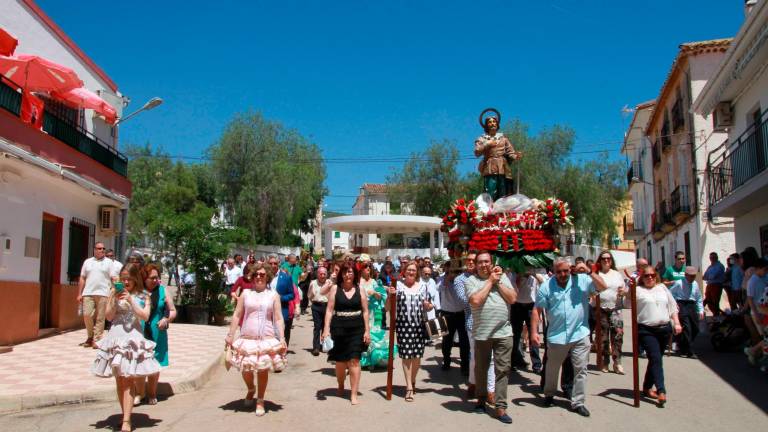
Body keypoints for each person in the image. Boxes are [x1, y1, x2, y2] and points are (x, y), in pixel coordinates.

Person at [531, 258, 608, 417]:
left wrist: (589, 271)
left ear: (571, 269)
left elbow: (603, 286)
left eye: (565, 270)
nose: (562, 274)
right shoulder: (546, 286)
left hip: (580, 334)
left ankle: (578, 402)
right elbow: (537, 310)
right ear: (554, 271)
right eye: (559, 271)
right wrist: (533, 333)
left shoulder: (582, 280)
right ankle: (549, 394)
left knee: (581, 370)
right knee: (552, 368)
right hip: (556, 336)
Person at [91, 263, 161, 432]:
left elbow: (144, 316)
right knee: (119, 380)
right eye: (123, 279)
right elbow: (108, 316)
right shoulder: (113, 293)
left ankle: (127, 421)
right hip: (115, 337)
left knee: (128, 378)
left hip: (132, 339)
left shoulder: (143, 295)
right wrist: (114, 299)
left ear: (136, 278)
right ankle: (124, 415)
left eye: (129, 278)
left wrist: (131, 300)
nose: (126, 281)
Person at [225, 263, 287, 416]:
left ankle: (260, 399)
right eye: (256, 274)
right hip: (247, 337)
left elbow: (278, 318)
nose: (259, 277)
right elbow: (237, 315)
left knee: (262, 369)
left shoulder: (273, 295)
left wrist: (282, 337)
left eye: (262, 274)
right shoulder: (246, 294)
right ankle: (251, 388)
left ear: (267, 277)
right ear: (252, 277)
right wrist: (230, 335)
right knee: (246, 368)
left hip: (266, 337)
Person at [466, 251, 518, 424]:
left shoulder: (502, 277)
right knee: (481, 369)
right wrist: (490, 282)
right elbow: (475, 300)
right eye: (480, 262)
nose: (483, 265)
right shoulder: (471, 281)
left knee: (502, 370)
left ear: (491, 262)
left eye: (486, 261)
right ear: (476, 264)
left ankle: (501, 407)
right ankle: (481, 400)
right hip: (482, 333)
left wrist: (498, 281)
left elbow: (512, 299)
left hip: (504, 333)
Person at [631, 264, 682, 406]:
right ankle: (661, 390)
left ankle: (647, 387)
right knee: (656, 358)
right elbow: (627, 301)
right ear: (642, 277)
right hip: (646, 330)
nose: (650, 278)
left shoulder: (662, 288)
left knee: (655, 359)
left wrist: (676, 323)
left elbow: (672, 306)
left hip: (664, 329)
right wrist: (628, 289)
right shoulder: (638, 290)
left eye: (652, 275)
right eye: (646, 275)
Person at [322, 262, 370, 405]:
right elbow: (329, 310)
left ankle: (354, 393)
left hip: (356, 328)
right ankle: (341, 383)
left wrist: (367, 330)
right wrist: (326, 329)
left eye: (350, 272)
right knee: (340, 363)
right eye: (344, 272)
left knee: (355, 360)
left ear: (354, 274)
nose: (347, 275)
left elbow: (366, 311)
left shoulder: (360, 289)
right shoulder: (335, 289)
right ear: (340, 274)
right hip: (339, 328)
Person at [387, 261, 433, 402]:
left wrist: (428, 305)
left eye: (413, 270)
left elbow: (430, 306)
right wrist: (390, 295)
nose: (411, 272)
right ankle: (408, 387)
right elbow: (388, 308)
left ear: (416, 272)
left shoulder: (423, 287)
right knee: (406, 356)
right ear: (404, 272)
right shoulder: (398, 286)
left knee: (417, 357)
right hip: (403, 325)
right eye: (409, 270)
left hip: (419, 325)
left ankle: (412, 381)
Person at [135, 264, 177, 406]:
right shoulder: (137, 291)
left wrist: (166, 319)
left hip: (157, 333)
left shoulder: (163, 291)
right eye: (152, 278)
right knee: (139, 363)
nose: (156, 280)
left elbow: (172, 310)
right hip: (139, 333)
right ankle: (139, 393)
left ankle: (152, 393)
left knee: (155, 363)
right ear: (144, 278)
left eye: (157, 277)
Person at [78, 242, 118, 349]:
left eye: (103, 248)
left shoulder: (109, 262)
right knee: (87, 315)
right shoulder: (87, 262)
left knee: (101, 318)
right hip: (88, 292)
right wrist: (79, 293)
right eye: (99, 248)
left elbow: (114, 277)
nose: (102, 250)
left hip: (103, 293)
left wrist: (118, 289)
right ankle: (90, 336)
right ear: (94, 249)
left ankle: (97, 339)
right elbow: (82, 277)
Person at [474, 111, 521, 201]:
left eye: (494, 122)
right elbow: (477, 152)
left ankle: (502, 211)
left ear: (497, 124)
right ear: (486, 125)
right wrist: (487, 144)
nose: (492, 124)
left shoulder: (503, 138)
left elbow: (510, 152)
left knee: (503, 191)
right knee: (490, 190)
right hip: (490, 166)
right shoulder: (482, 139)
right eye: (490, 122)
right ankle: (490, 210)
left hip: (503, 167)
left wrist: (516, 156)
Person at [595, 251, 627, 374]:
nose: (606, 260)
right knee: (603, 336)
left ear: (611, 260)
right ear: (600, 261)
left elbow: (623, 289)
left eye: (608, 258)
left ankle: (617, 362)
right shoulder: (597, 274)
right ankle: (605, 361)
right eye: (603, 259)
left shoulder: (617, 274)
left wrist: (622, 292)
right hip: (601, 308)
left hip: (616, 308)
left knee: (617, 336)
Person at [438, 261, 470, 375]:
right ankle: (446, 361)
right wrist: (448, 278)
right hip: (447, 313)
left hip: (461, 313)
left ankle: (465, 365)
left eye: (455, 271)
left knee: (464, 340)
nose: (453, 273)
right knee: (447, 340)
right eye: (451, 270)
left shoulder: (462, 280)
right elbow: (440, 289)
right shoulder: (441, 279)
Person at [510, 268, 543, 373]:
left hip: (531, 306)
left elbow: (544, 284)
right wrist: (520, 277)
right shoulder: (514, 274)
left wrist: (533, 274)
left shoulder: (535, 275)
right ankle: (513, 362)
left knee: (534, 335)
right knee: (515, 335)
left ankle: (536, 365)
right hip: (517, 305)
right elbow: (513, 290)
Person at [669, 267, 704, 358]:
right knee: (687, 328)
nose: (692, 278)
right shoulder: (679, 283)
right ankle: (690, 351)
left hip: (691, 306)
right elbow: (670, 294)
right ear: (685, 275)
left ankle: (682, 345)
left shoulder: (695, 284)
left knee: (695, 328)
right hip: (682, 304)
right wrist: (674, 303)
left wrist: (700, 310)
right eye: (691, 276)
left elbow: (699, 297)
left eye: (694, 276)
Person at [267, 255, 296, 346]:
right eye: (270, 263)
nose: (273, 265)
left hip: (281, 311)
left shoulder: (286, 277)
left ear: (279, 264)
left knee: (281, 336)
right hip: (266, 311)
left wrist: (280, 298)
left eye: (275, 263)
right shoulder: (263, 277)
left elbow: (291, 295)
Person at [744, 258, 768, 364]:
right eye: (764, 270)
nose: (766, 272)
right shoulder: (752, 281)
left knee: (766, 338)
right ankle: (753, 352)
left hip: (765, 311)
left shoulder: (764, 278)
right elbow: (750, 298)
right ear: (758, 268)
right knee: (765, 337)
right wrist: (756, 314)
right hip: (757, 312)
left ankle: (753, 352)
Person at [309, 266, 333, 356]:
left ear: (327, 274)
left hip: (327, 307)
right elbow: (310, 295)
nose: (322, 276)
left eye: (324, 274)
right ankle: (316, 347)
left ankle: (325, 346)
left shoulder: (329, 283)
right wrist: (315, 302)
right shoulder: (313, 283)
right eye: (321, 274)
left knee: (326, 326)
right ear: (317, 274)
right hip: (316, 306)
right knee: (317, 327)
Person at [703, 252, 726, 317]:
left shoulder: (719, 266)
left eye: (713, 257)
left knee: (715, 301)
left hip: (716, 285)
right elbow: (704, 276)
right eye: (710, 258)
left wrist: (709, 277)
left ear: (716, 258)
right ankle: (715, 314)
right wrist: (709, 277)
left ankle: (717, 315)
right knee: (708, 301)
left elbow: (714, 276)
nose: (712, 259)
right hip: (709, 285)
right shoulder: (710, 267)